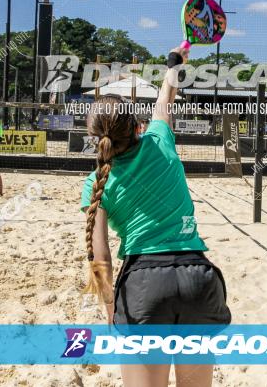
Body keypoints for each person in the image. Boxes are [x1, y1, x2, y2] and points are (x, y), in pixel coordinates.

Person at [81, 44, 231, 387]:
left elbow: (100, 256)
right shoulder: (159, 140)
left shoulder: (96, 183)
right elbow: (165, 100)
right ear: (137, 127)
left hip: (144, 287)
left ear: (95, 140)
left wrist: (110, 309)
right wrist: (174, 64)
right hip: (199, 278)